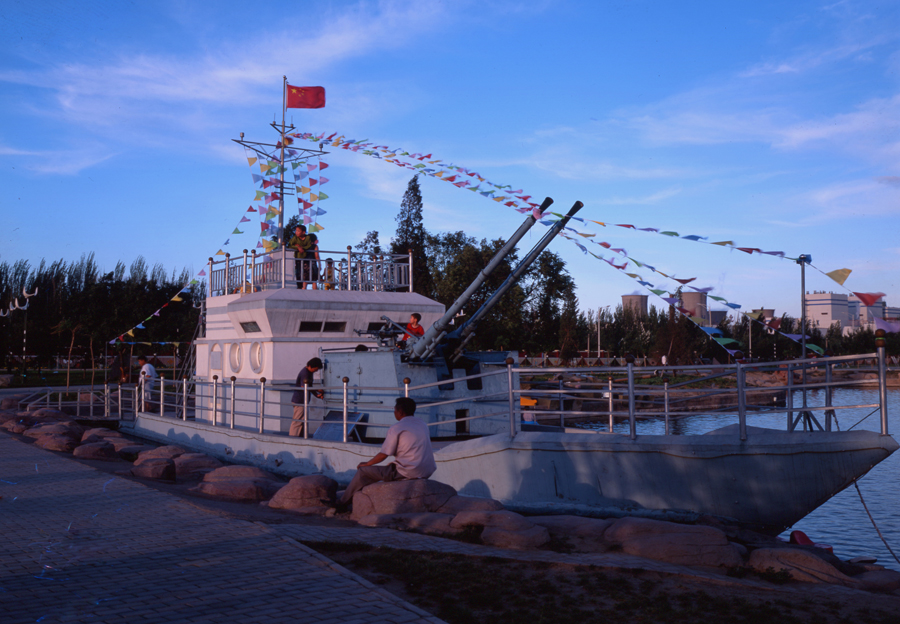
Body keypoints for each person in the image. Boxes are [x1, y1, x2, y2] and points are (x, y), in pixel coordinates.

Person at [337, 397, 436, 509]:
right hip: (427, 470)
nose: (394, 413)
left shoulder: (397, 427)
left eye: (394, 411)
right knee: (378, 471)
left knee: (363, 471)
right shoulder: (422, 424)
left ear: (400, 412)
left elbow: (384, 454)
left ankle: (341, 503)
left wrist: (367, 464)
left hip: (408, 471)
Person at [290, 357, 324, 436]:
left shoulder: (309, 372)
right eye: (316, 369)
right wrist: (317, 390)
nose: (316, 370)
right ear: (311, 366)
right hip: (300, 400)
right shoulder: (305, 373)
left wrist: (316, 395)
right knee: (297, 421)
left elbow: (309, 386)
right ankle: (293, 438)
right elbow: (304, 387)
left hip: (302, 400)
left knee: (302, 420)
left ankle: (301, 437)